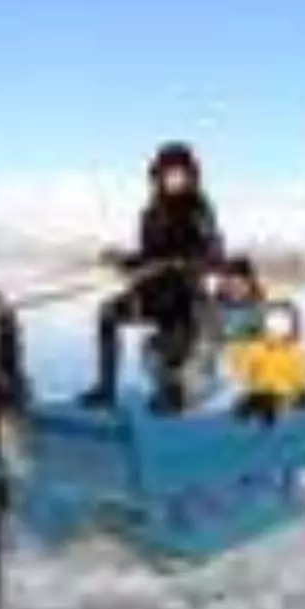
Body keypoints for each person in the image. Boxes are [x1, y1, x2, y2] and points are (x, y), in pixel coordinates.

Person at [78, 140, 225, 412]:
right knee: (108, 313)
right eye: (167, 172)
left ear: (190, 175)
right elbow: (148, 256)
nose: (172, 178)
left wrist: (187, 262)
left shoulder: (198, 209)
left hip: (184, 300)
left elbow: (215, 255)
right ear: (157, 175)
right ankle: (105, 389)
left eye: (178, 172)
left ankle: (176, 394)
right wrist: (123, 259)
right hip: (152, 294)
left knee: (169, 354)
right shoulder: (151, 213)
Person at [229, 300, 305, 427]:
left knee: (270, 406)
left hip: (282, 397)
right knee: (252, 406)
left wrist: (303, 392)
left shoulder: (298, 351)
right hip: (262, 395)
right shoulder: (256, 348)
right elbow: (241, 370)